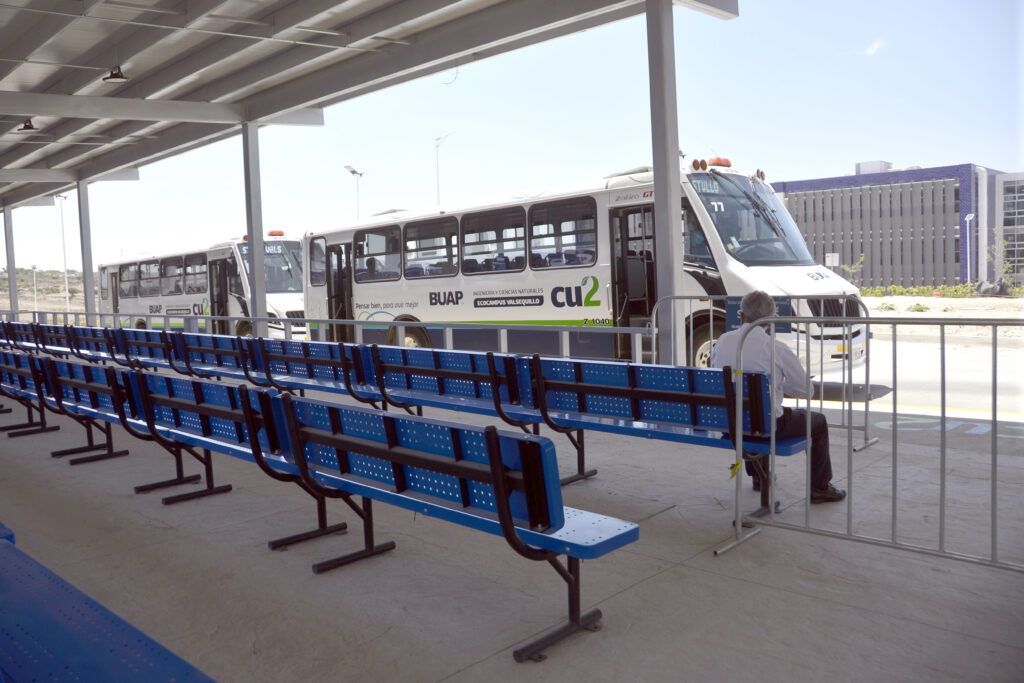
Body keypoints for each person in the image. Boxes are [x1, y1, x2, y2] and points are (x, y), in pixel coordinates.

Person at [710, 290, 846, 504]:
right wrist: (779, 385)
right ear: (771, 320)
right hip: (765, 426)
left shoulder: (723, 341)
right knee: (816, 421)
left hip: (728, 424)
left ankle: (759, 477)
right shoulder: (777, 348)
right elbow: (806, 391)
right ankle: (820, 487)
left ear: (741, 315)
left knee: (750, 410)